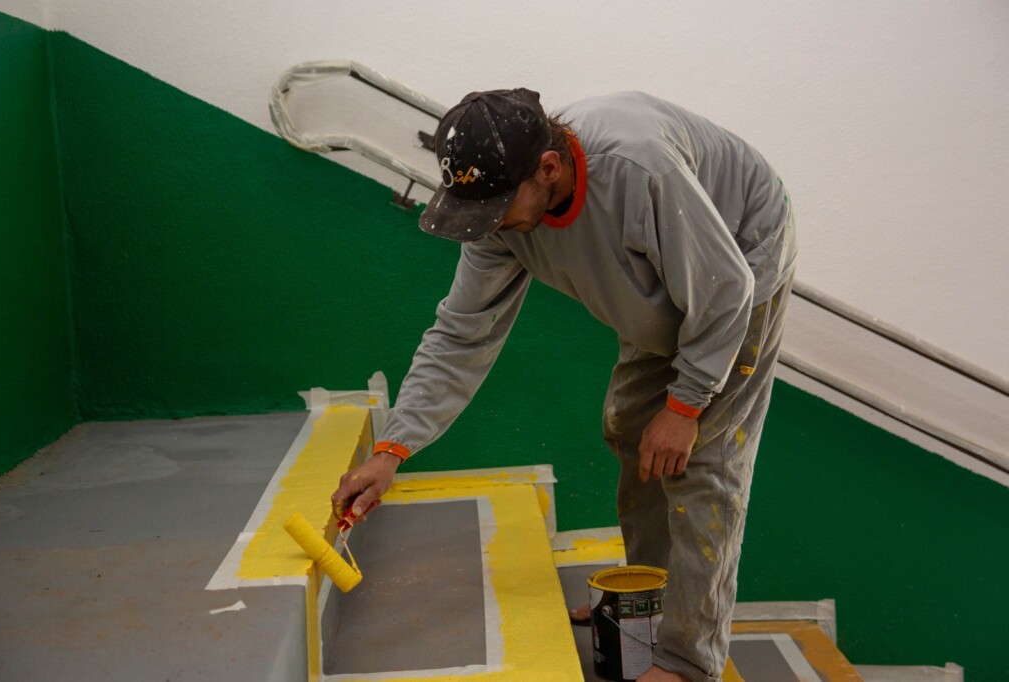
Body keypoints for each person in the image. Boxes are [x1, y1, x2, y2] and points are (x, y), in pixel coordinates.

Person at [331, 88, 797, 682]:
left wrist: (685, 406)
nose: (488, 223)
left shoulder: (638, 169)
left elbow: (724, 290)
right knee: (632, 430)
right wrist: (392, 449)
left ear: (549, 168)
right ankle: (647, 602)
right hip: (669, 278)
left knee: (701, 459)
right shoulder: (500, 214)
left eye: (498, 207)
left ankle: (688, 659)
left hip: (740, 265)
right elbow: (461, 333)